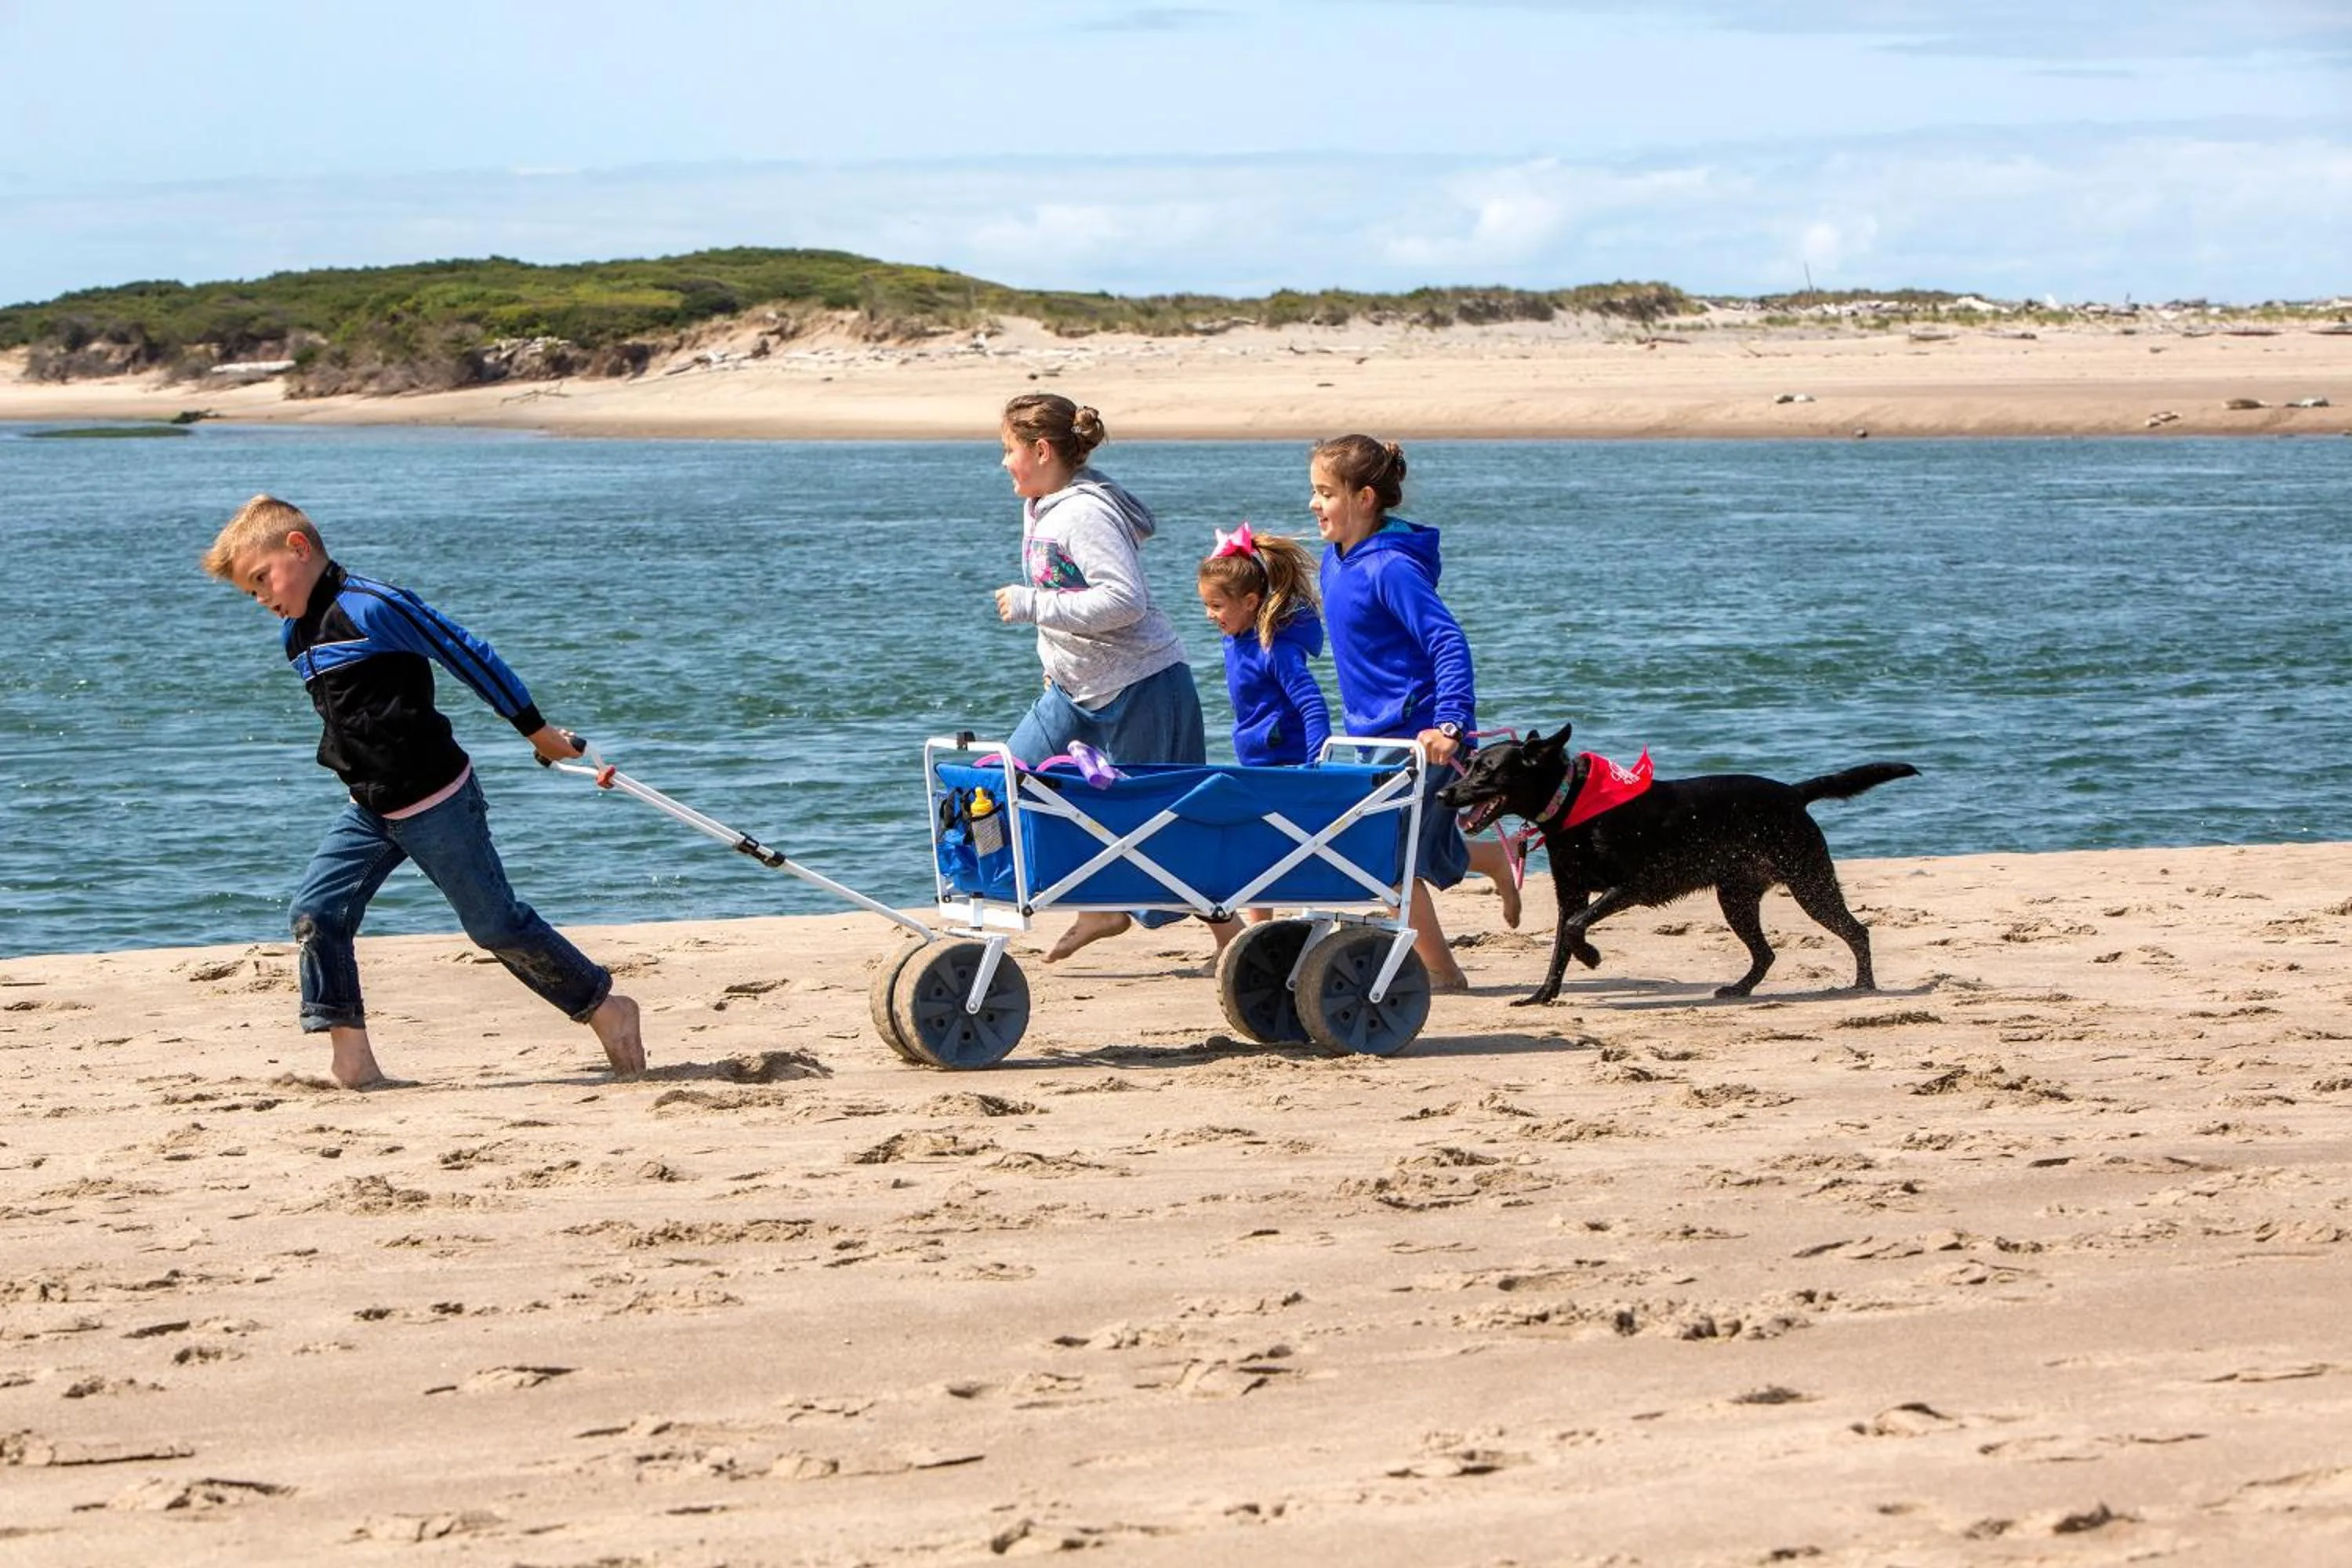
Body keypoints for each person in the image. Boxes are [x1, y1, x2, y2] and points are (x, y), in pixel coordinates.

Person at [201, 494, 644, 1089]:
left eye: (262, 579)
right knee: (316, 914)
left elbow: (469, 655)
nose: (262, 599)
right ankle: (352, 1062)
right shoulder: (296, 637)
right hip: (369, 810)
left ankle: (608, 1009)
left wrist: (537, 732)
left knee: (496, 928)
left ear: (299, 549)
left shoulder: (374, 606)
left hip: (438, 801)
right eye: (250, 594)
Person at [990, 394, 1236, 962]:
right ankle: (1087, 904)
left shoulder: (1084, 513)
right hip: (1071, 691)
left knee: (1162, 825)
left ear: (1042, 450)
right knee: (1003, 786)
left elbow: (1125, 600)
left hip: (1141, 685)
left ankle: (1236, 942)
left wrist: (1034, 604)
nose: (1004, 463)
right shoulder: (1047, 502)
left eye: (1009, 450)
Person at [1310, 436, 1519, 991]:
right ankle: (1496, 861)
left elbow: (1447, 643)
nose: (1314, 503)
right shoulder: (1337, 560)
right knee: (1400, 854)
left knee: (1390, 861)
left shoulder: (1393, 568)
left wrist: (1450, 724)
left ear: (1366, 498)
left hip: (1424, 736)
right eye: (1314, 491)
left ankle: (1443, 974)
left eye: (1326, 492)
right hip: (1372, 738)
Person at [1197, 521, 1332, 923]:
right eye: (1206, 605)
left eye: (1217, 606)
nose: (1210, 615)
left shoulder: (1275, 648)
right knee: (1257, 845)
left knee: (1264, 846)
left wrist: (1314, 767)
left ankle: (1266, 926)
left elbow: (1312, 705)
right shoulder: (1235, 639)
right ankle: (1260, 929)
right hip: (1256, 762)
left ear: (1251, 601)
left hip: (1289, 766)